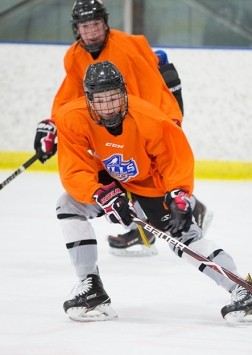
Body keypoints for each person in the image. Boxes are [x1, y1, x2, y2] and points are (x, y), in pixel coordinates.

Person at [55, 60, 252, 325]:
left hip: (151, 181)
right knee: (68, 205)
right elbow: (74, 169)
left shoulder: (150, 119)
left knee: (183, 238)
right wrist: (99, 194)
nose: (108, 107)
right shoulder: (71, 117)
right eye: (100, 100)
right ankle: (90, 287)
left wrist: (179, 194)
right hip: (111, 180)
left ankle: (242, 289)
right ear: (88, 100)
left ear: (123, 93)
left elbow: (175, 159)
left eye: (113, 98)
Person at [34, 0, 212, 256]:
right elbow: (72, 93)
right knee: (117, 167)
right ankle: (146, 229)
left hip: (152, 108)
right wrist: (53, 123)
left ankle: (188, 209)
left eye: (96, 24)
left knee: (148, 171)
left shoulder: (126, 48)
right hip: (117, 113)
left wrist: (165, 121)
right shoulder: (74, 55)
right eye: (85, 27)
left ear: (105, 24)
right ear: (76, 30)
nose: (92, 31)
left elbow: (149, 88)